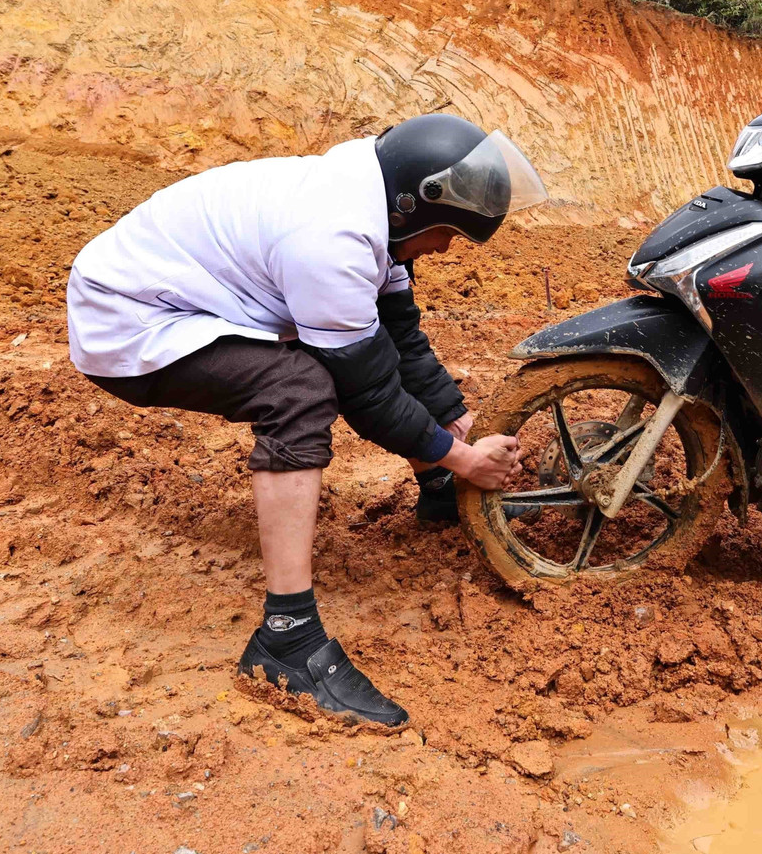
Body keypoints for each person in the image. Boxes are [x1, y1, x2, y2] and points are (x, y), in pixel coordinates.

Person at [65, 114, 547, 724]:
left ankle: (437, 492)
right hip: (128, 321)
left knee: (343, 366)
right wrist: (462, 458)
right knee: (299, 391)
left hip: (179, 293)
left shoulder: (372, 207)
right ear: (413, 207)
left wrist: (457, 423)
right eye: (448, 233)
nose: (447, 248)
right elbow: (367, 393)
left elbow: (398, 339)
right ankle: (287, 638)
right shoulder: (334, 240)